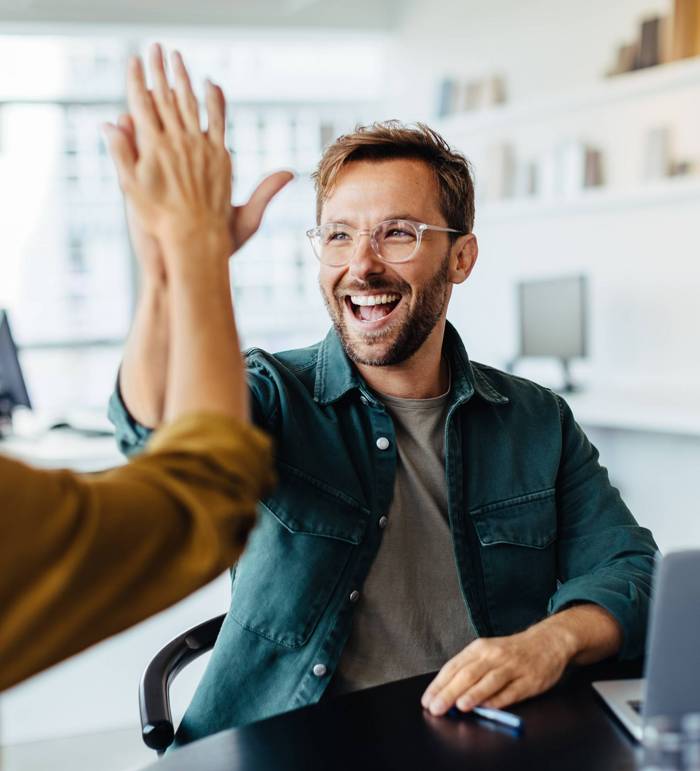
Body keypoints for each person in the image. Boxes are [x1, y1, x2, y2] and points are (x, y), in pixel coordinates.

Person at [110, 68, 658, 746]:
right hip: (287, 745)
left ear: (461, 258)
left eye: (397, 233)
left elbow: (633, 571)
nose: (362, 264)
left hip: (475, 742)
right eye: (338, 235)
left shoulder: (536, 420)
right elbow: (156, 432)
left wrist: (551, 640)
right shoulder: (274, 394)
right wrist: (173, 268)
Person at [0, 47, 288, 692]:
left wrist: (173, 265)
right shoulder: (279, 388)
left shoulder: (519, 414)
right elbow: (187, 481)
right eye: (339, 234)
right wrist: (192, 248)